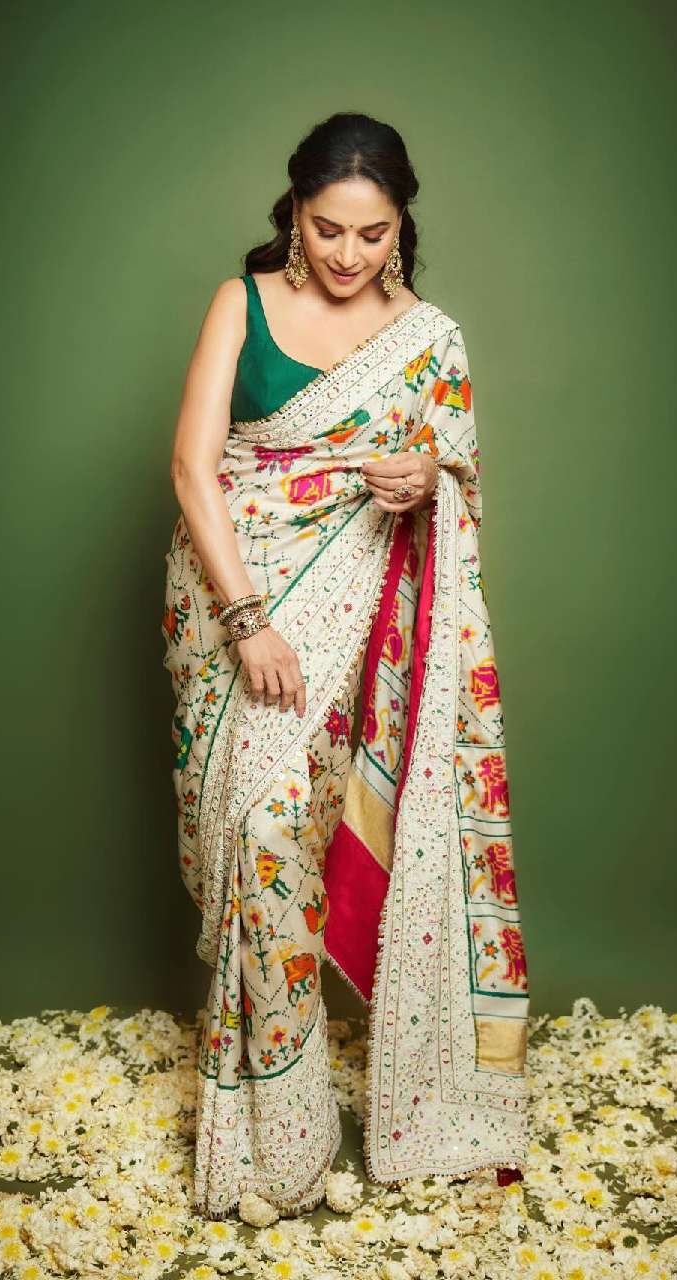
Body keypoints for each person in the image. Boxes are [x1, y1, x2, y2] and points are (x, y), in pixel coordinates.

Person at [161, 110, 529, 1221]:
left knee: (281, 838)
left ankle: (282, 1137)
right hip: (232, 602)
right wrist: (247, 620)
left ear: (402, 224)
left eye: (374, 234)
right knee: (245, 838)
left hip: (356, 619)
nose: (349, 254)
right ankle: (281, 1127)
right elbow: (192, 466)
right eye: (329, 229)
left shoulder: (430, 339)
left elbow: (455, 476)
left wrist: (426, 482)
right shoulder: (242, 302)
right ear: (296, 211)